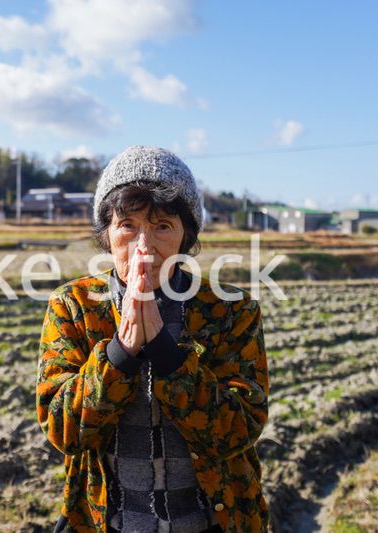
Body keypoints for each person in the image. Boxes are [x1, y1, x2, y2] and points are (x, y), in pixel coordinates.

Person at [36, 145, 270, 532]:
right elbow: (63, 430)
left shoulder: (231, 310)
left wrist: (166, 353)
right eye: (128, 226)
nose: (144, 246)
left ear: (185, 235)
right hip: (111, 523)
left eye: (162, 226)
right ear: (107, 233)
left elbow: (240, 430)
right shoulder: (74, 307)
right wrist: (120, 353)